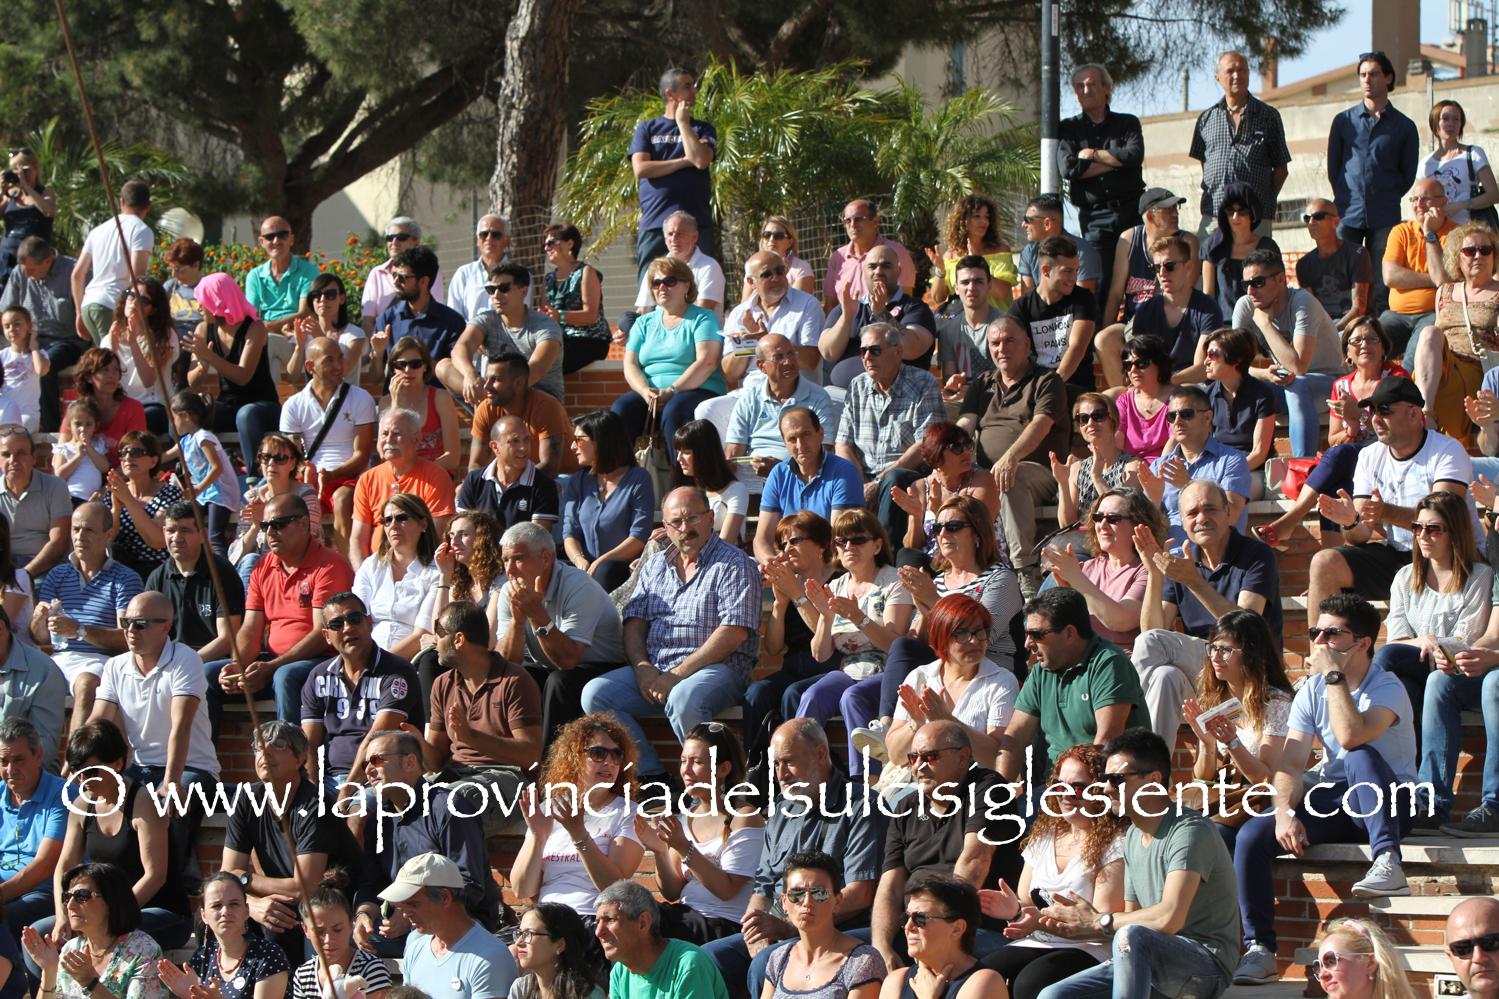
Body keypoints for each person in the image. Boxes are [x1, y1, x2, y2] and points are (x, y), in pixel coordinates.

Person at [1232, 595, 1419, 985]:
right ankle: (1260, 948)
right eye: (1315, 631)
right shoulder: (1311, 690)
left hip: (1391, 800)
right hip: (1338, 799)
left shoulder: (1387, 686)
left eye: (1332, 634)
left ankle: (1388, 860)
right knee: (1252, 835)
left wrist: (1334, 675)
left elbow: (1351, 736)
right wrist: (1284, 813)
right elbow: (1290, 764)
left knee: (1358, 755)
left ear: (1363, 643)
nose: (1319, 641)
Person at [1032, 730, 1240, 999]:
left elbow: (1169, 918)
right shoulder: (1132, 836)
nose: (1107, 789)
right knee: (1053, 995)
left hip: (1205, 967)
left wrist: (1099, 920)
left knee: (1132, 935)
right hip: (1148, 958)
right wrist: (1072, 923)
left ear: (1153, 781)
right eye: (1105, 779)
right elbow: (1130, 918)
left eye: (1117, 779)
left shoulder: (1189, 831)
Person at [580, 486, 759, 782]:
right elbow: (634, 623)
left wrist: (677, 674)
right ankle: (652, 777)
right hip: (659, 668)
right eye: (676, 521)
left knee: (683, 698)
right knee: (596, 694)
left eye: (693, 518)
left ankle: (709, 787)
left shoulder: (735, 563)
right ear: (665, 526)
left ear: (710, 518)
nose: (685, 528)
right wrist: (642, 667)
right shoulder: (654, 565)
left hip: (720, 668)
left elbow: (734, 632)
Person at [703, 719, 889, 999]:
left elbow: (861, 894)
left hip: (837, 931)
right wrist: (755, 931)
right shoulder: (780, 811)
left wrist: (790, 926)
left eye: (789, 761)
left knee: (764, 964)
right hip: (780, 927)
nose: (781, 773)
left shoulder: (864, 806)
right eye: (775, 764)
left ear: (821, 754)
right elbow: (763, 886)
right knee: (708, 960)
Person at [1310, 375, 1481, 615]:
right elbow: (1360, 534)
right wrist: (1352, 522)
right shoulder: (1369, 456)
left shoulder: (1447, 450)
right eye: (1372, 410)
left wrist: (1385, 512)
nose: (1376, 418)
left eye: (1385, 409)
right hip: (1399, 555)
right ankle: (1322, 638)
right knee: (1324, 563)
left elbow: (1442, 522)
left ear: (1414, 414)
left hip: (1451, 555)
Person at [87, 590, 220, 890]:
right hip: (139, 768)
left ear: (166, 627)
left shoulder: (185, 659)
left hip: (192, 768)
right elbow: (98, 721)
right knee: (95, 800)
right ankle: (102, 888)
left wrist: (171, 781)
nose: (130, 630)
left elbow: (181, 725)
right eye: (126, 622)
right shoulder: (115, 666)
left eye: (141, 624)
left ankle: (169, 890)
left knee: (169, 802)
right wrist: (79, 767)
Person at [32, 722, 191, 972]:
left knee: (104, 939)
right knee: (40, 937)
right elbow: (65, 867)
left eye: (91, 771)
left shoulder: (143, 803)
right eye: (78, 772)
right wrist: (63, 914)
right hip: (99, 911)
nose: (84, 780)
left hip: (160, 912)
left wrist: (111, 914)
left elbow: (155, 876)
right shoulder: (82, 805)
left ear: (117, 763)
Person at [1131, 479, 1281, 742]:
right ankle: (1150, 763)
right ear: (1182, 522)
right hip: (1209, 676)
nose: (1202, 518)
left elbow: (1246, 629)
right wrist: (1155, 573)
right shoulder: (1180, 563)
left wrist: (1194, 581)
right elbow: (1154, 631)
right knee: (1165, 676)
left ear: (1228, 512)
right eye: (1192, 513)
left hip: (1251, 670)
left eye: (1210, 509)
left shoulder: (1257, 554)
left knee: (1151, 643)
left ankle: (1125, 732)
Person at [979, 744, 1127, 999]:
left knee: (1028, 983)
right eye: (1059, 786)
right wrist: (1014, 910)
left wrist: (1039, 922)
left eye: (1077, 787)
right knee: (982, 976)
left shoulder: (1116, 843)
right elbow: (1025, 902)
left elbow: (1101, 924)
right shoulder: (1045, 835)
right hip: (1040, 939)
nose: (1065, 795)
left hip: (1091, 946)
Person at [864, 721, 1017, 967]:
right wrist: (881, 946)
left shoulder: (990, 789)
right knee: (844, 953)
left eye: (930, 757)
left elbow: (975, 861)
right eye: (913, 758)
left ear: (962, 758)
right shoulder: (905, 807)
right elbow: (890, 886)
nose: (919, 765)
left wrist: (936, 927)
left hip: (969, 929)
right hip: (914, 928)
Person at [205, 492, 354, 735]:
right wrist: (238, 665)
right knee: (208, 674)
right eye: (266, 525)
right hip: (275, 662)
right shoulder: (262, 567)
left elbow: (323, 634)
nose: (270, 532)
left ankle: (294, 756)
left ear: (304, 524)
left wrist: (272, 667)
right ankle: (202, 757)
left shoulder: (330, 566)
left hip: (323, 662)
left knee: (285, 676)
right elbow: (250, 628)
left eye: (279, 524)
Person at [222, 720, 363, 968]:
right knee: (212, 915)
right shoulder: (246, 798)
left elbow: (303, 889)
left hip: (330, 906)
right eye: (259, 746)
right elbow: (225, 878)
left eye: (277, 745)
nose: (266, 752)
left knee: (278, 920)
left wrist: (244, 879)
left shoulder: (315, 805)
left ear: (299, 759)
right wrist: (251, 904)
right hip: (283, 901)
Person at [1255, 318, 1406, 547]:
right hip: (1357, 461)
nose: (1364, 345)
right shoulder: (1341, 385)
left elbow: (1401, 429)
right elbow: (1334, 439)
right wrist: (1352, 429)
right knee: (1335, 485)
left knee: (1339, 457)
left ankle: (1289, 521)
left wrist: (1359, 415)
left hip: (1390, 455)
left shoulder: (1396, 378)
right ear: (1347, 352)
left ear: (1383, 347)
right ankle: (1332, 554)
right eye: (1356, 341)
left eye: (1372, 339)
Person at [794, 509, 915, 783]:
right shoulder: (836, 586)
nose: (848, 546)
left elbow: (895, 644)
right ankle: (800, 773)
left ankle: (867, 783)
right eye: (841, 541)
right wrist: (826, 617)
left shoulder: (894, 582)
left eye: (858, 539)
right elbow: (821, 654)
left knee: (852, 697)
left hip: (887, 672)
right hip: (849, 669)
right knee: (811, 696)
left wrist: (859, 618)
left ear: (877, 545)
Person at [956, 317, 1071, 597]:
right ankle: (962, 571)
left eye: (1010, 341)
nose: (1002, 348)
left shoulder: (1047, 380)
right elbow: (965, 425)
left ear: (1027, 345)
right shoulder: (982, 383)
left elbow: (1040, 425)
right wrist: (948, 450)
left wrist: (1011, 457)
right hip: (988, 473)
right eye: (995, 343)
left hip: (1040, 473)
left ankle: (1025, 570)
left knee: (1010, 476)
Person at [355, 732, 502, 942]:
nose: (369, 770)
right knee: (346, 940)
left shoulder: (450, 809)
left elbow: (468, 886)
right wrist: (363, 915)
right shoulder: (377, 820)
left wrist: (410, 913)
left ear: (409, 762)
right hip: (404, 921)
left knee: (416, 940)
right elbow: (372, 885)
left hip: (460, 922)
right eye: (365, 764)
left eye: (377, 760)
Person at [409, 599, 543, 832]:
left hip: (509, 778)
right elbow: (437, 761)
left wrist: (471, 737)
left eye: (439, 632)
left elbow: (530, 756)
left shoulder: (515, 680)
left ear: (459, 639)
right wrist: (417, 743)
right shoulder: (442, 683)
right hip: (457, 775)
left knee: (450, 803)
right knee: (389, 800)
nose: (434, 640)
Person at [491, 520, 623, 749]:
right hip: (555, 666)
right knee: (516, 678)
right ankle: (514, 755)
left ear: (545, 558)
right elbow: (507, 662)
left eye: (518, 559)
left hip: (607, 668)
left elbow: (567, 660)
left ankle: (550, 764)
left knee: (560, 682)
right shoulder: (508, 591)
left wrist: (536, 614)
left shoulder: (580, 586)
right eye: (505, 560)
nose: (509, 570)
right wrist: (517, 622)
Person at [995, 588, 1147, 783]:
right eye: (1027, 634)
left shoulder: (1109, 663)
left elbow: (1106, 742)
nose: (1027, 643)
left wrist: (1071, 793)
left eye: (1036, 634)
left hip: (1109, 788)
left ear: (1069, 633)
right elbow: (1015, 739)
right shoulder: (1041, 670)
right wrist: (998, 793)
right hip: (1058, 787)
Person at [634, 723, 766, 944]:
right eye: (683, 761)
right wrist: (660, 852)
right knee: (628, 914)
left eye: (696, 762)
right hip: (686, 918)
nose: (685, 770)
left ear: (723, 769)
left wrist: (684, 847)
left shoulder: (744, 816)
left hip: (722, 925)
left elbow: (727, 890)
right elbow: (672, 892)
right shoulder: (687, 816)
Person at [509, 715, 645, 927]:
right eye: (598, 753)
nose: (609, 762)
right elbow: (521, 890)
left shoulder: (628, 812)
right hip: (546, 920)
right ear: (574, 758)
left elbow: (615, 889)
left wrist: (579, 834)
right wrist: (538, 836)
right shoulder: (548, 810)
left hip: (594, 921)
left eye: (616, 755)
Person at [1370, 490, 1492, 727]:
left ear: (1455, 532)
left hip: (1457, 669)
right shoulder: (1405, 577)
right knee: (1406, 687)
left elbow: (1467, 641)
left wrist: (1432, 643)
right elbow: (1396, 640)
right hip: (1419, 664)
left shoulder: (1479, 576)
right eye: (1417, 527)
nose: (1423, 535)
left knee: (1387, 658)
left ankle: (1365, 728)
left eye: (1433, 529)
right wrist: (1424, 641)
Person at [301, 591, 421, 808]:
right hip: (329, 780)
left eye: (354, 619)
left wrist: (348, 790)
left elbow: (377, 738)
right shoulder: (318, 676)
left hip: (381, 777)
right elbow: (310, 743)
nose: (347, 628)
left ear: (368, 623)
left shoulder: (397, 672)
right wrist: (310, 791)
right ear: (326, 635)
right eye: (337, 624)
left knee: (357, 813)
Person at [833, 322, 945, 547]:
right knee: (832, 476)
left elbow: (925, 444)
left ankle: (885, 553)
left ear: (898, 352)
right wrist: (860, 484)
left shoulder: (923, 383)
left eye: (875, 350)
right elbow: (843, 444)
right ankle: (835, 555)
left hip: (907, 476)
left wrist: (878, 482)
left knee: (894, 480)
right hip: (863, 477)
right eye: (862, 351)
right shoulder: (857, 386)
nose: (867, 357)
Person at [33, 502, 141, 730]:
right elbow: (39, 637)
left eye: (89, 530)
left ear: (108, 534)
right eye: (76, 529)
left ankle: (75, 753)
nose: (80, 536)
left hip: (101, 661)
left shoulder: (125, 578)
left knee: (86, 683)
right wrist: (38, 619)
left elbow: (127, 638)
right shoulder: (56, 575)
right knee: (21, 679)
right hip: (58, 660)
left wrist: (79, 630)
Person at [1329, 51, 1419, 318]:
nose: (1367, 80)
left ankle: (1381, 336)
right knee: (1343, 283)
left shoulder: (1405, 126)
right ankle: (1343, 337)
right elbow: (1334, 169)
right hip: (1347, 213)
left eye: (1374, 74)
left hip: (1385, 214)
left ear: (1388, 78)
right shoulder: (1343, 121)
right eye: (1362, 74)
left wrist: (1385, 194)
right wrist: (1346, 197)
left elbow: (1407, 175)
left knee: (1381, 285)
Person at [745, 513, 840, 767]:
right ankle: (757, 772)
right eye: (783, 543)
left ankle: (800, 769)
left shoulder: (838, 582)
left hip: (829, 666)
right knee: (757, 693)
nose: (788, 549)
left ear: (822, 545)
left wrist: (797, 593)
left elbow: (830, 636)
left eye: (796, 540)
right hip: (793, 666)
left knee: (793, 694)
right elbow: (773, 648)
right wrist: (780, 602)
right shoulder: (790, 585)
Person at [1233, 248, 1347, 458]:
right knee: (1238, 388)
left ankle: (1302, 465)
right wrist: (1265, 374)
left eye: (1258, 282)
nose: (1250, 291)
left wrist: (1265, 325)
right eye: (1245, 284)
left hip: (1332, 385)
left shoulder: (1303, 302)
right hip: (1287, 385)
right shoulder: (1246, 306)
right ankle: (1242, 462)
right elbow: (1233, 366)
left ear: (1280, 279)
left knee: (1298, 383)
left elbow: (1298, 367)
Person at [614, 256, 725, 462]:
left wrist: (672, 391)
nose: (662, 287)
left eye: (669, 281)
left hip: (698, 389)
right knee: (621, 410)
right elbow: (630, 364)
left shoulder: (703, 317)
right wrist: (645, 392)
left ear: (686, 285)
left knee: (675, 411)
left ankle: (683, 478)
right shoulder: (643, 322)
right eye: (656, 283)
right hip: (651, 393)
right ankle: (619, 476)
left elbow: (707, 362)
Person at [280, 337, 376, 557]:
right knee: (288, 505)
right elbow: (292, 457)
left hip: (351, 478)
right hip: (310, 479)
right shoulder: (293, 405)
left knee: (342, 499)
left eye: (340, 358)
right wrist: (307, 473)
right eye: (329, 360)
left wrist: (330, 475)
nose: (338, 365)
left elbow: (362, 456)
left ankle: (350, 569)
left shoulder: (360, 398)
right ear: (310, 367)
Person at [1040, 487, 1165, 656]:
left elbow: (1121, 620)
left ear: (1139, 525)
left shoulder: (1150, 570)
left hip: (1128, 662)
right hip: (1088, 661)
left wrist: (1077, 579)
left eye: (1113, 519)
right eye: (1098, 517)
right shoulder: (1087, 568)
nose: (1103, 525)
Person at [20, 862, 167, 999]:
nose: (70, 905)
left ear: (112, 901)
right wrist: (49, 970)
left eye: (82, 896)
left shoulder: (143, 951)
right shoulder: (71, 948)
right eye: (67, 897)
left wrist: (90, 983)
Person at [380, 853, 516, 999]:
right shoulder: (415, 950)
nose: (406, 913)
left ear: (445, 897)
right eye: (404, 904)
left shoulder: (491, 956)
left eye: (414, 904)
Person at [1409, 222, 1499, 440]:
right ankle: (1427, 413)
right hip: (1438, 369)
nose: (1478, 256)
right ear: (1457, 258)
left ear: (1494, 256)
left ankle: (1425, 417)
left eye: (1485, 250)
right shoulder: (1444, 291)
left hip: (1475, 369)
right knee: (1430, 332)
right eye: (1469, 251)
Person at [1098, 233, 1220, 389]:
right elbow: (1140, 361)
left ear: (1188, 267)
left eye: (1170, 265)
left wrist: (1163, 383)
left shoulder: (1208, 308)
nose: (1162, 273)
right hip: (1154, 385)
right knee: (1110, 396)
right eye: (1156, 268)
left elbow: (1202, 369)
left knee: (1186, 395)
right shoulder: (1145, 310)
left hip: (1192, 386)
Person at [1058, 64, 1145, 283]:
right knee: (1100, 282)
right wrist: (1117, 163)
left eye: (1092, 84)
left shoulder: (1127, 123)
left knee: (1138, 280)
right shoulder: (1069, 128)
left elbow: (1134, 156)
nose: (1086, 90)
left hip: (1131, 211)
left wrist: (1092, 155)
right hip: (1094, 219)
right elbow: (1069, 169)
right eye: (1080, 86)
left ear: (1107, 87)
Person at [630, 68, 717, 281]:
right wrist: (684, 161)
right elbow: (640, 168)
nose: (694, 90)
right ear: (670, 94)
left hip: (697, 223)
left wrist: (683, 123)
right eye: (687, 86)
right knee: (651, 286)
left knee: (699, 284)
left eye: (693, 85)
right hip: (655, 223)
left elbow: (701, 160)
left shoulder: (703, 128)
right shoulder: (647, 129)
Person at [1190, 50, 1289, 237]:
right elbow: (1205, 163)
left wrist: (1263, 200)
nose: (1237, 75)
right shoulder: (1206, 119)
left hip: (1255, 216)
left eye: (1242, 69)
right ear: (1218, 78)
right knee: (1209, 255)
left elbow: (1281, 168)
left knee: (1256, 258)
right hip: (1214, 213)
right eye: (1230, 71)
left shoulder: (1269, 116)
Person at [759, 851, 884, 999]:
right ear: (784, 902)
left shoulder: (862, 961)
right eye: (796, 894)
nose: (807, 902)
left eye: (819, 893)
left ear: (838, 901)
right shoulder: (779, 958)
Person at [185, 273, 282, 464]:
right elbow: (193, 382)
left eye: (203, 302)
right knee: (188, 411)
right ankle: (189, 470)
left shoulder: (255, 328)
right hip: (228, 405)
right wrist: (202, 365)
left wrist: (209, 356)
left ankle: (255, 475)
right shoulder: (203, 329)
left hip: (262, 407)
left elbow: (242, 376)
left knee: (246, 414)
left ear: (217, 302)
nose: (199, 308)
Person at [1139, 385, 1251, 539]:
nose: (1177, 421)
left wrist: (1188, 485)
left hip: (1214, 552)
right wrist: (1154, 501)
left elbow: (1230, 517)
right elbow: (1147, 528)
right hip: (1171, 551)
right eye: (1172, 416)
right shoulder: (1159, 466)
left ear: (1207, 417)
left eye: (1186, 414)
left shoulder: (1231, 460)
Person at [156, 872, 292, 999]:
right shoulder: (204, 955)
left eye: (234, 904)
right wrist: (189, 994)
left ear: (247, 911)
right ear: (204, 916)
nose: (225, 911)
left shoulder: (269, 955)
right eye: (216, 906)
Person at [752, 409, 863, 563]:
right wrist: (771, 563)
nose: (800, 445)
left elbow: (838, 539)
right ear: (784, 443)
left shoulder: (844, 472)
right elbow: (762, 538)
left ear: (821, 434)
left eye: (806, 434)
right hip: (792, 565)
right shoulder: (778, 474)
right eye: (792, 438)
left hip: (830, 567)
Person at [444, 262, 563, 405]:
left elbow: (537, 369)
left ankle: (485, 404)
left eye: (504, 288)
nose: (496, 295)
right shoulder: (486, 320)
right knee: (443, 367)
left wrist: (493, 392)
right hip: (493, 395)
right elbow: (460, 348)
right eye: (491, 290)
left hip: (536, 398)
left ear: (523, 292)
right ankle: (485, 405)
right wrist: (470, 375)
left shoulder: (545, 325)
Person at [562, 410, 653, 593]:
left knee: (606, 570)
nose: (572, 446)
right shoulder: (578, 481)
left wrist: (600, 562)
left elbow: (639, 537)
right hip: (585, 567)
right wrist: (580, 561)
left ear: (601, 441)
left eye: (578, 439)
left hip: (623, 570)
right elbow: (570, 532)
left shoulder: (638, 478)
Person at [0, 719, 77, 938]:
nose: (10, 769)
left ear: (39, 756)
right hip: (4, 888)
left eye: (19, 760)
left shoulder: (64, 794)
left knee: (4, 921)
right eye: (3, 761)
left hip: (44, 892)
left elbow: (45, 865)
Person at [819, 247, 937, 388]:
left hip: (898, 394)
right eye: (872, 266)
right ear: (864, 272)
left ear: (898, 272)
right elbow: (828, 352)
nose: (878, 271)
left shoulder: (915, 307)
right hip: (843, 393)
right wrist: (847, 317)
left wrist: (882, 314)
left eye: (886, 266)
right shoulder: (847, 307)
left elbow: (912, 349)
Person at [350, 409, 456, 566]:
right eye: (384, 434)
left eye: (397, 433)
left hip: (422, 569)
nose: (389, 440)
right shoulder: (367, 479)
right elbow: (358, 539)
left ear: (417, 440)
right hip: (376, 569)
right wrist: (363, 575)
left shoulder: (436, 477)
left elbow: (436, 537)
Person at [873, 875, 1006, 999]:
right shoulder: (896, 981)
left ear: (956, 929)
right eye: (906, 917)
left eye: (920, 919)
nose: (908, 926)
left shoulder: (984, 982)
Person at [0, 237, 80, 433]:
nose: (26, 275)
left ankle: (50, 430)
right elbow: (5, 310)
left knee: (46, 366)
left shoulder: (73, 271)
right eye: (24, 270)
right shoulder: (20, 272)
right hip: (26, 338)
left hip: (64, 340)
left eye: (31, 270)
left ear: (47, 261)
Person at [596, 879, 727, 999]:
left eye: (610, 920)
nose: (598, 932)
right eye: (597, 922)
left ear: (643, 922)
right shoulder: (620, 971)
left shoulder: (688, 964)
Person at [724, 334, 837, 472]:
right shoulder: (749, 400)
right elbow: (734, 454)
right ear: (761, 366)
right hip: (752, 479)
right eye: (778, 357)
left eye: (791, 354)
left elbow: (823, 455)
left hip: (800, 479)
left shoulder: (818, 398)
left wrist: (780, 470)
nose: (788, 361)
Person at [1100, 189, 1201, 342]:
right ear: (1150, 216)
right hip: (1133, 322)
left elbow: (1187, 293)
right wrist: (1105, 328)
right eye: (1168, 209)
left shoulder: (1187, 242)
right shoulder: (1128, 239)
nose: (1175, 214)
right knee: (1103, 340)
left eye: (1175, 208)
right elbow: (1115, 293)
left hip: (1172, 319)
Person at [349, 495, 441, 659]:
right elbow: (356, 620)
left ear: (423, 524)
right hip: (364, 657)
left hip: (411, 662)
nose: (393, 525)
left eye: (402, 518)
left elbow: (423, 634)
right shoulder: (370, 566)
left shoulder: (437, 571)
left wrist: (380, 663)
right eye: (387, 520)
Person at [150, 502, 244, 662]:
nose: (176, 538)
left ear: (202, 535)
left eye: (185, 531)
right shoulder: (157, 577)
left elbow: (228, 639)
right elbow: (149, 633)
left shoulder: (222, 574)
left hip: (211, 662)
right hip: (168, 662)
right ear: (164, 532)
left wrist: (186, 664)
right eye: (171, 531)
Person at [888, 422, 999, 558]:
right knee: (906, 555)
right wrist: (916, 517)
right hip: (933, 562)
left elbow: (976, 532)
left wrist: (937, 511)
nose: (966, 451)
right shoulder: (920, 487)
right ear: (936, 454)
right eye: (956, 447)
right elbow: (912, 548)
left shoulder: (982, 480)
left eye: (967, 444)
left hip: (975, 561)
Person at [230, 433, 325, 584]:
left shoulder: (305, 493)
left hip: (298, 567)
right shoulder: (251, 497)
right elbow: (235, 556)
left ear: (292, 464)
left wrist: (267, 520)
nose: (272, 464)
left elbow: (308, 537)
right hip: (260, 573)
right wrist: (256, 526)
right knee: (249, 560)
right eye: (266, 458)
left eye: (280, 458)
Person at [1010, 235, 1098, 395]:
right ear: (1046, 270)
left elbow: (1077, 347)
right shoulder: (1021, 307)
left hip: (1076, 388)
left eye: (1076, 270)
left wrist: (1052, 386)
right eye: (1067, 271)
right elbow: (1011, 352)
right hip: (1035, 390)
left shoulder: (1083, 299)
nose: (1074, 278)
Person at [1379, 177, 1456, 357]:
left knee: (1416, 356)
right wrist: (1435, 279)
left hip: (1434, 313)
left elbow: (1444, 281)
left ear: (1443, 202)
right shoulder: (1401, 231)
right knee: (1366, 340)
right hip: (1396, 315)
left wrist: (1430, 234)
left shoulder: (1457, 234)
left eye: (1426, 198)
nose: (1419, 204)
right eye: (1414, 199)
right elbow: (1390, 277)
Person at [469, 351, 576, 479]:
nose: (486, 386)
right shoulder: (485, 408)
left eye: (496, 379)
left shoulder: (546, 405)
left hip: (562, 479)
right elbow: (476, 464)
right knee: (463, 489)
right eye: (487, 379)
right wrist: (477, 485)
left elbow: (549, 468)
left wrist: (511, 484)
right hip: (512, 480)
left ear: (518, 383)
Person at [722, 256, 824, 390]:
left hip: (795, 394)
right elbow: (729, 374)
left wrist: (765, 340)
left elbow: (811, 361)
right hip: (749, 393)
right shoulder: (739, 313)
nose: (776, 278)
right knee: (708, 404)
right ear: (751, 282)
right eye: (766, 274)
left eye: (780, 271)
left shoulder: (807, 304)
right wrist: (746, 343)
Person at [71, 180, 153, 345]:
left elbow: (77, 275)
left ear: (121, 202)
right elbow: (137, 277)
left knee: (106, 357)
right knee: (118, 358)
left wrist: (79, 313)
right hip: (112, 305)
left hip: (89, 303)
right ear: (148, 206)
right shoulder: (141, 230)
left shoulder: (98, 230)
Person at [625, 212, 727, 329]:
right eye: (670, 234)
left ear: (694, 237)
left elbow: (704, 311)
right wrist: (628, 332)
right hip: (659, 332)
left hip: (695, 333)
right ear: (665, 239)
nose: (674, 239)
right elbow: (644, 310)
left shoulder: (709, 267)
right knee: (626, 320)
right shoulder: (656, 268)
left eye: (680, 233)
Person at [168, 391, 240, 558]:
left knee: (214, 537)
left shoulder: (204, 437)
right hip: (205, 495)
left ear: (185, 416)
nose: (172, 424)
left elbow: (217, 467)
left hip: (220, 495)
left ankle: (223, 568)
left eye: (174, 418)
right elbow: (165, 456)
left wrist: (198, 489)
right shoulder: (186, 440)